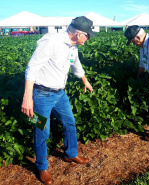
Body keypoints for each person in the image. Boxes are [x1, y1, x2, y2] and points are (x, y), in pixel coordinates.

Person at [21, 16, 96, 184]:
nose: (89, 39)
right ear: (78, 34)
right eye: (88, 35)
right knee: (42, 130)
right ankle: (42, 167)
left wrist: (85, 81)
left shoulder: (73, 47)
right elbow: (32, 67)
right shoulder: (51, 42)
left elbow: (76, 65)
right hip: (40, 95)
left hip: (60, 95)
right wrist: (27, 98)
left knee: (70, 122)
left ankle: (71, 154)